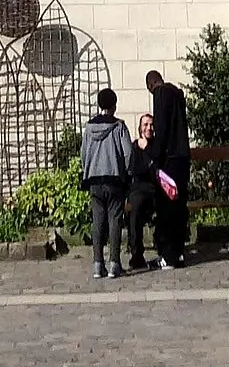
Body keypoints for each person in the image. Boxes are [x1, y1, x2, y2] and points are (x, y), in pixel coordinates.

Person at [79, 85, 133, 279]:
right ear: (114, 105)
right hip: (114, 179)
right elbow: (128, 153)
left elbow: (83, 154)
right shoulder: (119, 126)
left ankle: (97, 264)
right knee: (115, 220)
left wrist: (89, 169)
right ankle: (114, 264)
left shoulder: (89, 128)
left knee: (98, 221)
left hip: (94, 179)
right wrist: (127, 173)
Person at [145, 68, 191, 268]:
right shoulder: (177, 95)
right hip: (183, 158)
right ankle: (179, 252)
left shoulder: (160, 94)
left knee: (166, 207)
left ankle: (168, 256)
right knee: (179, 206)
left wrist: (154, 157)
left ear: (151, 85)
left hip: (169, 161)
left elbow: (162, 130)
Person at [124, 109, 161, 271]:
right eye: (145, 124)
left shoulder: (157, 146)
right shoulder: (134, 146)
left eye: (151, 125)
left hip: (155, 189)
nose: (149, 128)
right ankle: (136, 253)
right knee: (134, 207)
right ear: (140, 128)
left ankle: (163, 247)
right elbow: (135, 169)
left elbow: (157, 170)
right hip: (138, 189)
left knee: (162, 204)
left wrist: (147, 150)